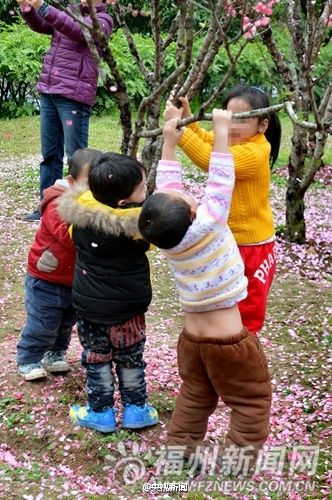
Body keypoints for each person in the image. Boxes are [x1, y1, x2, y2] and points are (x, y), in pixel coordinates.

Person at [138, 112, 272, 472]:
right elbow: (221, 180)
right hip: (229, 343)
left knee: (196, 396)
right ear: (194, 210)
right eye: (187, 197)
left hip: (192, 341)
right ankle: (236, 465)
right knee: (251, 401)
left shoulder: (169, 242)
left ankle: (178, 459)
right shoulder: (210, 223)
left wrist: (170, 138)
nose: (188, 193)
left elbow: (168, 189)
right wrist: (223, 133)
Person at [164, 84, 281, 335]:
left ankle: (245, 348)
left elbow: (211, 160)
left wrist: (178, 134)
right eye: (227, 116)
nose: (229, 126)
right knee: (227, 300)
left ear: (262, 126)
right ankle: (229, 345)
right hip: (234, 240)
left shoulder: (255, 151)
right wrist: (186, 117)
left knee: (248, 308)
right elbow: (209, 139)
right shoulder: (235, 141)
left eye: (238, 119)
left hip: (252, 244)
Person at [57, 152, 159, 433]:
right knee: (131, 358)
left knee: (96, 358)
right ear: (124, 203)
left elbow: (71, 233)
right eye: (142, 188)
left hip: (90, 310)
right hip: (129, 311)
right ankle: (136, 410)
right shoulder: (138, 230)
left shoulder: (79, 221)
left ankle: (101, 413)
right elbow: (153, 241)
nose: (146, 191)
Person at [17, 0, 113, 221]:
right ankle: (47, 207)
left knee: (77, 158)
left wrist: (44, 7)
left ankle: (79, 208)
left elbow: (77, 31)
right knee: (50, 155)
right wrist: (29, 10)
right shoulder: (68, 11)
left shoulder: (103, 20)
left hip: (74, 95)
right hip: (50, 90)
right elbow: (44, 25)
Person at [17, 147, 101, 381]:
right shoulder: (57, 203)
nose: (94, 190)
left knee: (66, 321)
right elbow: (68, 236)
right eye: (89, 183)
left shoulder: (97, 204)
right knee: (43, 321)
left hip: (74, 278)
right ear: (72, 181)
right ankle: (29, 358)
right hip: (46, 277)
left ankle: (56, 353)